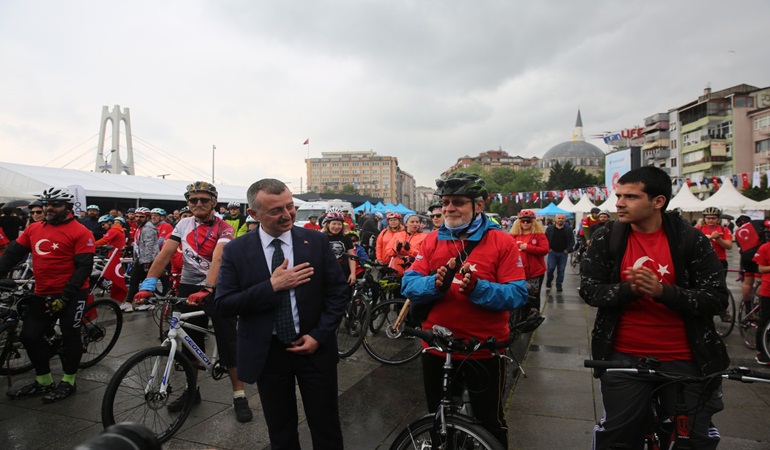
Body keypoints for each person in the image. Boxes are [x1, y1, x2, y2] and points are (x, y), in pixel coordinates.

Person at [579, 166, 729, 449]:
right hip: (624, 358)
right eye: (618, 195)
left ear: (658, 201)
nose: (619, 203)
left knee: (693, 440)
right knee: (618, 439)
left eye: (631, 197)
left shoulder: (690, 239)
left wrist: (664, 292)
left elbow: (717, 298)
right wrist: (629, 289)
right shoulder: (606, 237)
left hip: (687, 359)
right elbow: (589, 290)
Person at [216, 178, 348, 449]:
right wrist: (271, 286)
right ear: (254, 214)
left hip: (314, 348)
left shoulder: (316, 241)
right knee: (281, 430)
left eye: (290, 206)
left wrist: (319, 336)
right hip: (269, 353)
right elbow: (224, 304)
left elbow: (338, 293)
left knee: (326, 426)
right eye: (276, 210)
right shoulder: (236, 250)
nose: (287, 215)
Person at [401, 172, 528, 449]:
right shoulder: (432, 240)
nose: (449, 208)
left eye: (458, 202)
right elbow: (408, 285)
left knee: (490, 423)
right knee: (439, 420)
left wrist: (477, 288)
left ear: (478, 205)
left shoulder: (502, 241)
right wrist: (435, 284)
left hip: (483, 349)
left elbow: (518, 294)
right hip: (437, 348)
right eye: (445, 201)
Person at [134, 181, 252, 423]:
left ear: (214, 202)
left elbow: (218, 258)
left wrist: (208, 287)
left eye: (204, 200)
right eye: (193, 200)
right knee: (189, 344)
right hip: (189, 285)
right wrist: (148, 284)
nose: (198, 203)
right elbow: (165, 254)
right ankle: (192, 390)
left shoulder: (223, 227)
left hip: (218, 286)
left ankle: (239, 395)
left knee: (228, 341)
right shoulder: (183, 224)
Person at [0, 187, 95, 402]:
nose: (49, 208)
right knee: (29, 336)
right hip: (42, 291)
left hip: (72, 293)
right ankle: (44, 381)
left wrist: (65, 298)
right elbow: (13, 254)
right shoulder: (34, 229)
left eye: (55, 204)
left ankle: (69, 381)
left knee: (70, 334)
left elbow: (83, 268)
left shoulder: (80, 232)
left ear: (68, 207)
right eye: (46, 204)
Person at [509, 210, 549, 311]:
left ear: (533, 222)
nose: (525, 223)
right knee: (518, 295)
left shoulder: (539, 235)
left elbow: (544, 250)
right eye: (523, 221)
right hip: (518, 273)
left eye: (528, 221)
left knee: (533, 297)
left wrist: (527, 247)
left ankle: (534, 316)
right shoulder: (513, 235)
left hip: (535, 273)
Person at [124, 207, 158, 313]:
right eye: (137, 216)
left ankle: (129, 303)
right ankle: (149, 301)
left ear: (147, 217)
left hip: (145, 260)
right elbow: (139, 243)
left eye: (141, 217)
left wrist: (147, 262)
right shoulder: (141, 227)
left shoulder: (148, 228)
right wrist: (129, 247)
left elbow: (149, 246)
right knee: (143, 281)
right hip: (141, 259)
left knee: (134, 280)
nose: (138, 219)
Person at [321, 209, 357, 286]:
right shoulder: (321, 237)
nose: (336, 227)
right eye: (334, 224)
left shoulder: (346, 238)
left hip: (343, 273)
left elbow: (351, 257)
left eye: (339, 224)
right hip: (326, 273)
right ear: (328, 224)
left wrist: (353, 273)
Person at [695, 207, 733, 272]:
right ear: (704, 218)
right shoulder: (698, 229)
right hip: (702, 260)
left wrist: (718, 239)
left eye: (713, 218)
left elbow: (729, 246)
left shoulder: (724, 230)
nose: (710, 220)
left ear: (718, 219)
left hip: (719, 260)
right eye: (708, 218)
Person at [734, 215, 763, 298]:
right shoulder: (755, 223)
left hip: (745, 257)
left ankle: (746, 302)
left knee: (747, 282)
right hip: (757, 255)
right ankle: (758, 302)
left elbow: (740, 249)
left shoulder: (737, 233)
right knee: (758, 281)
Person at [544, 213, 575, 292]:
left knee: (561, 269)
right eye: (559, 218)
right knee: (551, 268)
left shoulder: (568, 229)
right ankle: (549, 280)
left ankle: (559, 284)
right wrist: (548, 248)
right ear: (555, 219)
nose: (560, 220)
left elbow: (572, 241)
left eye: (562, 218)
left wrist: (567, 250)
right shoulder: (550, 229)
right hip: (552, 252)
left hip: (563, 253)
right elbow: (545, 239)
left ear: (565, 220)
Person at [752, 235, 770, 365]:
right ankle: (761, 351)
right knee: (765, 320)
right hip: (768, 290)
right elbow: (761, 268)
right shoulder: (765, 248)